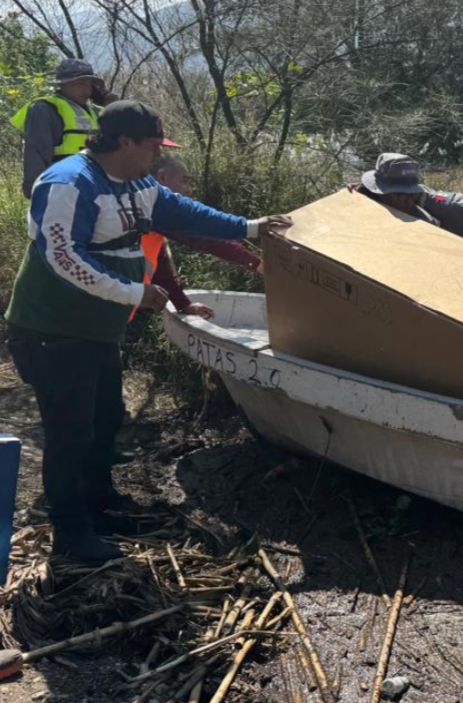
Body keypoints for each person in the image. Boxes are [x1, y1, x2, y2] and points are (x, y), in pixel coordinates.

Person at [4, 100, 292, 564]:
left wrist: (252, 228)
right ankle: (71, 532)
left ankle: (100, 503)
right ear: (123, 142)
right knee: (69, 431)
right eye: (153, 144)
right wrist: (135, 292)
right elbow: (64, 259)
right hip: (52, 330)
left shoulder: (137, 182)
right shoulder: (68, 184)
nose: (158, 154)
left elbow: (183, 212)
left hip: (97, 329)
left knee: (106, 418)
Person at [135, 154, 266, 321]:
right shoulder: (150, 205)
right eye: (184, 180)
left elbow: (161, 265)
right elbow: (205, 239)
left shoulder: (146, 207)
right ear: (162, 177)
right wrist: (256, 263)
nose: (188, 189)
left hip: (123, 300)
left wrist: (183, 304)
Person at [10, 58, 117, 198]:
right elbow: (36, 152)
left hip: (96, 189)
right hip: (61, 189)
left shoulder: (97, 111)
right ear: (63, 85)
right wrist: (36, 191)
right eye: (80, 83)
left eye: (89, 84)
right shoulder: (44, 109)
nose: (86, 89)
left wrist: (112, 106)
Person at [353, 153, 438, 225]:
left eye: (411, 195)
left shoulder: (424, 222)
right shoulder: (366, 204)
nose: (408, 201)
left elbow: (439, 197)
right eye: (399, 195)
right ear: (381, 194)